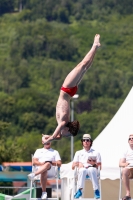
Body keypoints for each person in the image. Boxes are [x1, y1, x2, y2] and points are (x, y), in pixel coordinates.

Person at [42, 34, 101, 144]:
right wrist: (48, 139)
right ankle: (94, 46)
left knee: (85, 68)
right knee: (82, 66)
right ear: (67, 129)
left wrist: (47, 136)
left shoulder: (63, 123)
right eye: (68, 135)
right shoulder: (63, 122)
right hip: (67, 90)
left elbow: (57, 136)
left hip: (69, 92)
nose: (65, 136)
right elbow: (56, 136)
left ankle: (95, 46)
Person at [28, 135, 62, 199]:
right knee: (44, 170)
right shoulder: (38, 151)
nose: (47, 142)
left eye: (49, 140)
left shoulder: (55, 152)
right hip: (40, 170)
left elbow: (59, 163)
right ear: (42, 142)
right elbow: (34, 161)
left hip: (51, 170)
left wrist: (51, 162)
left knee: (48, 164)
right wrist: (41, 163)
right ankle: (44, 192)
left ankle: (33, 174)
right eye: (46, 141)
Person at [72, 134, 101, 199]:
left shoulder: (96, 153)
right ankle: (80, 189)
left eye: (87, 140)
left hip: (92, 170)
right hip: (82, 170)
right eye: (84, 140)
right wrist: (79, 163)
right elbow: (73, 166)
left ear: (90, 142)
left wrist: (93, 164)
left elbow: (99, 166)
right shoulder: (78, 152)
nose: (85, 142)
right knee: (82, 170)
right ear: (82, 142)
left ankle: (96, 190)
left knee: (91, 169)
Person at [119, 134, 133, 200]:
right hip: (130, 169)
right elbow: (120, 163)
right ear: (128, 141)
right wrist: (125, 164)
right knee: (124, 171)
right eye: (130, 139)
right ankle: (128, 193)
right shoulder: (125, 151)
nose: (131, 139)